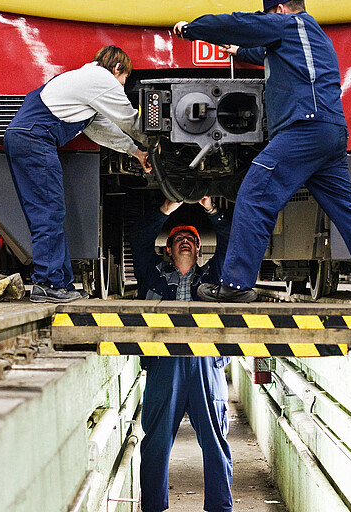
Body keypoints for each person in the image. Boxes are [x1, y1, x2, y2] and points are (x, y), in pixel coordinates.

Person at [173, 0, 351, 303]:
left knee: (254, 196)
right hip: (328, 132)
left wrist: (193, 28)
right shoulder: (310, 35)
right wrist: (239, 51)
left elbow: (239, 24)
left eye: (268, 16)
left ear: (278, 11)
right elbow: (272, 54)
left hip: (303, 130)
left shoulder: (289, 24)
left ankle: (236, 285)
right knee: (345, 208)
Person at [4, 45, 151, 303]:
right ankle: (46, 284)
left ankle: (61, 284)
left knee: (52, 211)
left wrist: (136, 152)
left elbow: (101, 130)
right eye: (125, 78)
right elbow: (128, 119)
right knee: (48, 211)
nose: (123, 85)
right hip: (34, 138)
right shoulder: (100, 79)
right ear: (117, 68)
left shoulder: (85, 84)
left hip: (29, 138)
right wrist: (154, 143)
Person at [130, 197, 233, 512]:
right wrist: (167, 208)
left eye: (191, 239)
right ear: (169, 249)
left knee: (216, 444)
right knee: (156, 444)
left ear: (200, 250)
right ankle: (153, 507)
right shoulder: (152, 274)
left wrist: (211, 210)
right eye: (178, 239)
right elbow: (139, 237)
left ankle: (220, 507)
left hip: (207, 364)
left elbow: (233, 239)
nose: (185, 241)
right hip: (164, 363)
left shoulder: (215, 278)